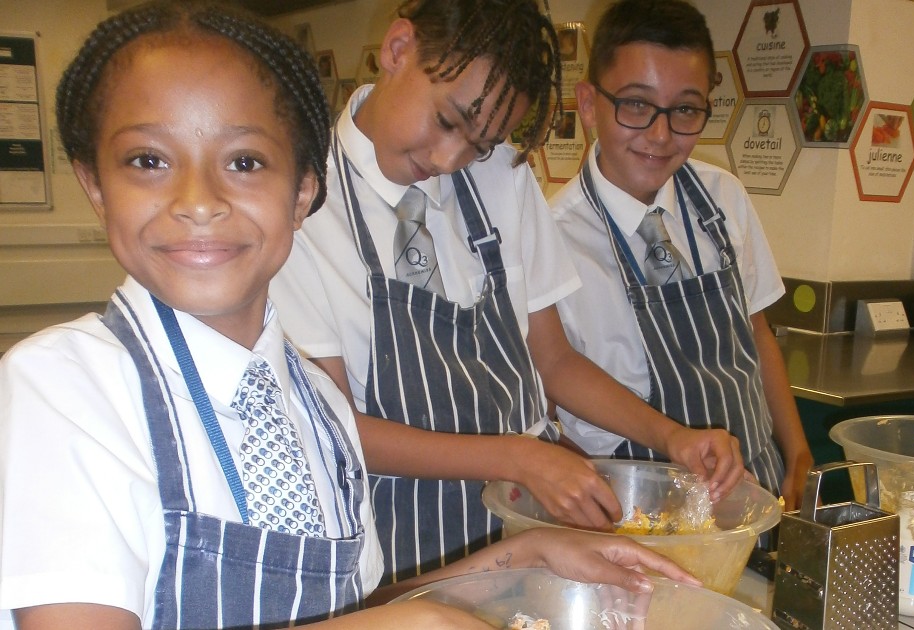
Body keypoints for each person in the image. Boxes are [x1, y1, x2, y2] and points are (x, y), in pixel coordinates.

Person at [0, 3, 701, 628]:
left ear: (304, 192)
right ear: (94, 183)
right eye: (148, 159)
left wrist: (524, 557)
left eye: (244, 162)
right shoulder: (64, 388)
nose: (199, 199)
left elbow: (354, 609)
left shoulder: (316, 412)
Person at [269, 0, 744, 585]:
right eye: (449, 121)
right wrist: (518, 455)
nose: (450, 159)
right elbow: (336, 431)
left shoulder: (501, 178)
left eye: (481, 142)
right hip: (402, 552)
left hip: (528, 533)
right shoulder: (298, 206)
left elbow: (554, 360)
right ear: (398, 50)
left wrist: (671, 437)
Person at [549, 0, 813, 515]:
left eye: (685, 110)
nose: (661, 134)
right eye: (636, 105)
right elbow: (549, 402)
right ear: (587, 103)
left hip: (753, 497)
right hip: (635, 515)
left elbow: (757, 333)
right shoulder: (553, 238)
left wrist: (798, 454)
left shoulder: (723, 199)